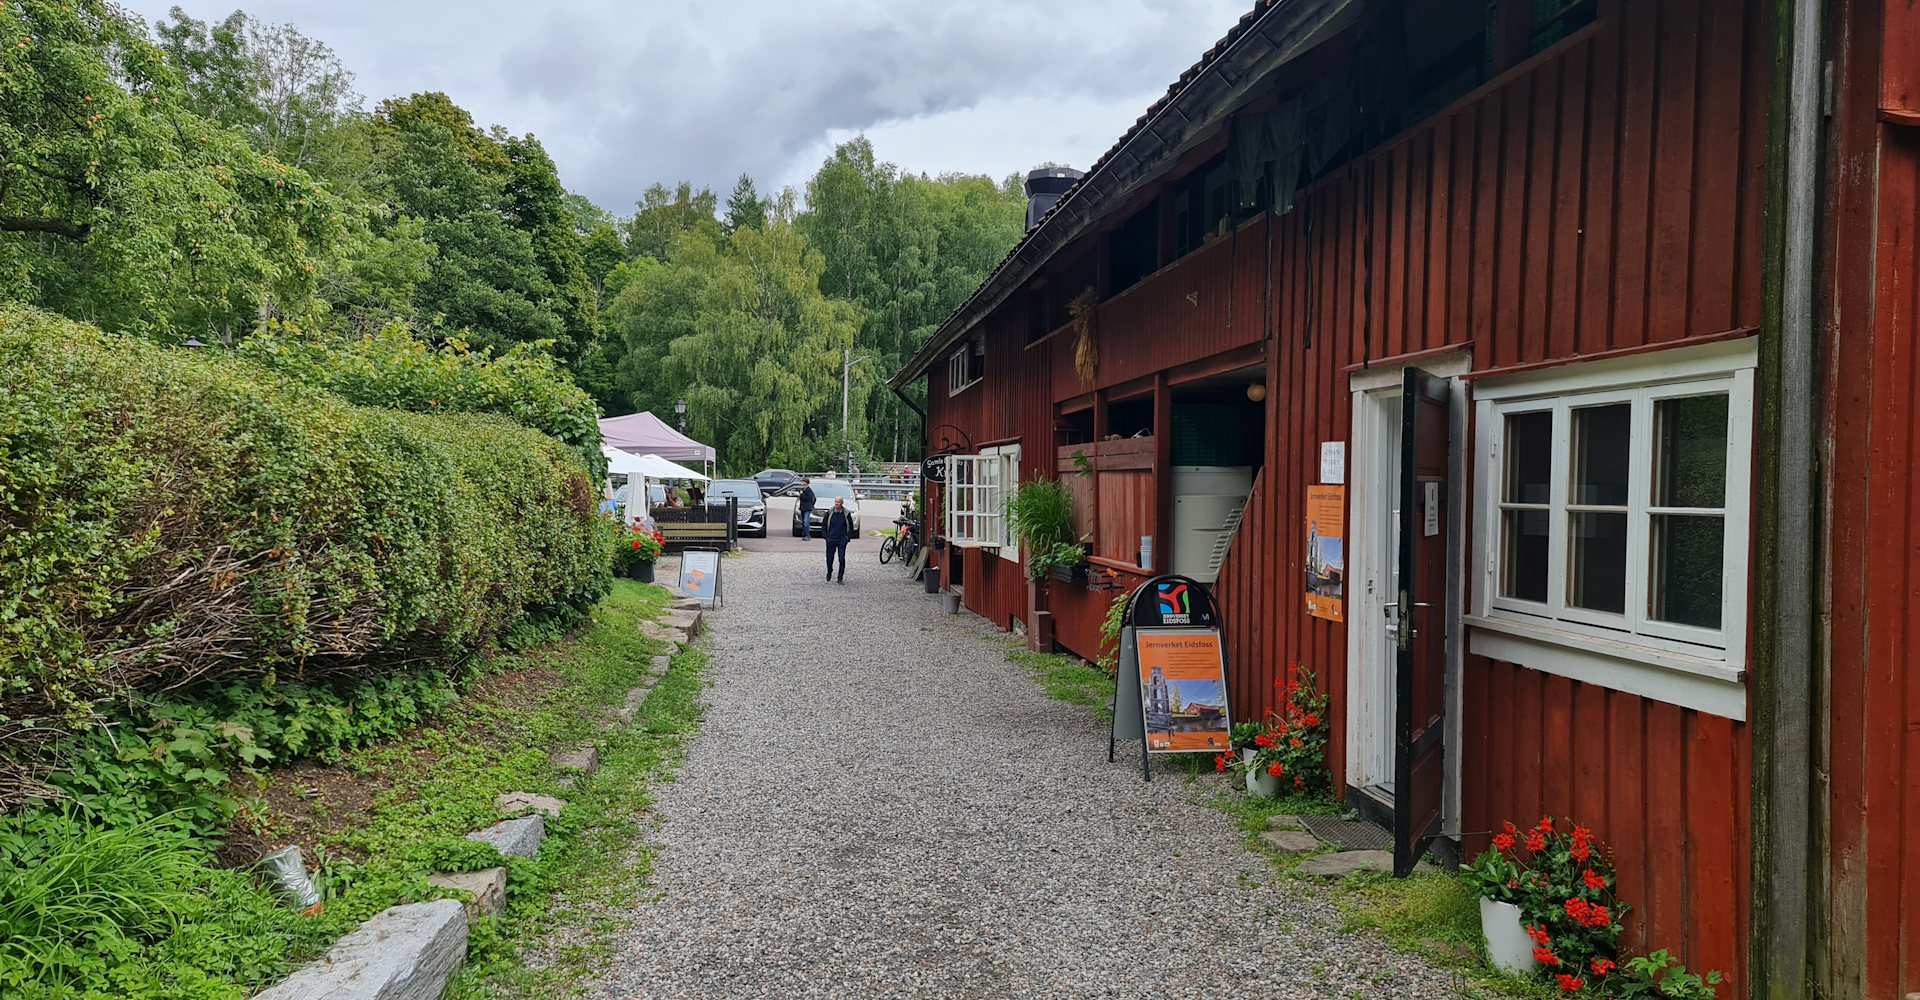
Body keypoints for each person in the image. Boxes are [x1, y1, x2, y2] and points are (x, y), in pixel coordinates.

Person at [823, 497, 853, 584]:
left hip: (842, 539)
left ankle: (840, 577)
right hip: (831, 538)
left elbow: (850, 526)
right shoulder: (829, 512)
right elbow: (824, 525)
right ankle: (829, 571)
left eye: (838, 502)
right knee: (829, 558)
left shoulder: (846, 513)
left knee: (841, 558)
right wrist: (826, 537)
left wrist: (847, 537)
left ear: (842, 503)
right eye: (835, 502)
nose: (836, 504)